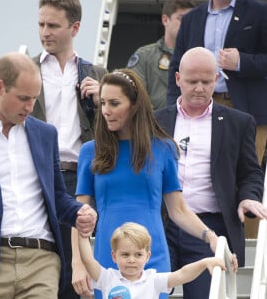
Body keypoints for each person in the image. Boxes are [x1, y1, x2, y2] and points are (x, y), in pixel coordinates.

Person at [71, 68, 233, 299]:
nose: (106, 111)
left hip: (152, 255)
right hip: (108, 257)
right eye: (103, 103)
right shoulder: (90, 151)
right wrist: (78, 262)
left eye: (114, 103)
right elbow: (79, 215)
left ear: (135, 105)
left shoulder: (163, 148)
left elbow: (178, 209)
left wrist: (210, 236)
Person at [0, 52, 97, 299]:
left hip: (41, 261)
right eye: (23, 98)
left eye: (34, 98)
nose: (30, 107)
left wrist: (79, 212)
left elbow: (58, 196)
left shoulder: (45, 134)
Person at [155, 47, 267, 299]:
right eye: (192, 81)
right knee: (151, 293)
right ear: (178, 79)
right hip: (161, 223)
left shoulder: (239, 122)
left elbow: (250, 172)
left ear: (216, 80)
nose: (199, 88)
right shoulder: (155, 121)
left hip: (211, 229)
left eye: (206, 81)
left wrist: (248, 197)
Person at [31, 0, 107, 298]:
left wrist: (102, 100)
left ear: (75, 28)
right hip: (39, 178)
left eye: (53, 25)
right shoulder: (28, 70)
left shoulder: (98, 74)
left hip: (81, 179)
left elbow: (121, 128)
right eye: (41, 24)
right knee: (42, 258)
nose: (44, 32)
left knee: (81, 272)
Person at [167, 0, 267, 167]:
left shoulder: (260, 12)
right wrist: (172, 110)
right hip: (200, 107)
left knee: (247, 175)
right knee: (199, 171)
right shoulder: (192, 18)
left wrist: (242, 61)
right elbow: (176, 67)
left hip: (248, 109)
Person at [78, 222, 229, 299]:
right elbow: (88, 260)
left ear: (147, 256)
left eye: (138, 255)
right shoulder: (107, 277)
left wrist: (204, 263)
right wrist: (83, 233)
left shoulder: (153, 279)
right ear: (114, 256)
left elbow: (182, 274)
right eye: (125, 255)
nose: (131, 260)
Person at [126, 0, 195, 110]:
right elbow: (131, 93)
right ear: (165, 20)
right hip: (153, 122)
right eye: (181, 19)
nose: (187, 24)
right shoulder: (145, 56)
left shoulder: (200, 58)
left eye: (191, 20)